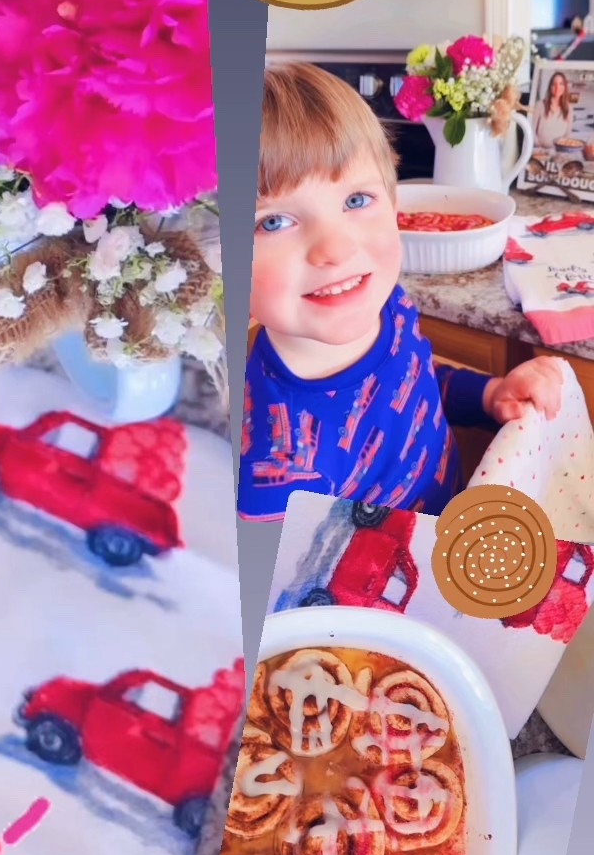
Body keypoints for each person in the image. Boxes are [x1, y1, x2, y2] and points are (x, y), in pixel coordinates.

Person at [239, 63, 564, 521]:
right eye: (272, 221)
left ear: (394, 206)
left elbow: (416, 374)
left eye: (356, 200)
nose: (336, 249)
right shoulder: (276, 470)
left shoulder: (388, 305)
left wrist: (489, 393)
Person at [534, 69, 581, 149]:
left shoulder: (568, 109)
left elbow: (568, 134)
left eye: (561, 84)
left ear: (564, 87)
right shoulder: (539, 105)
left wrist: (563, 148)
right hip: (540, 150)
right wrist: (538, 146)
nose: (557, 87)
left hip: (559, 151)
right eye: (554, 84)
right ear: (550, 87)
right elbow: (531, 130)